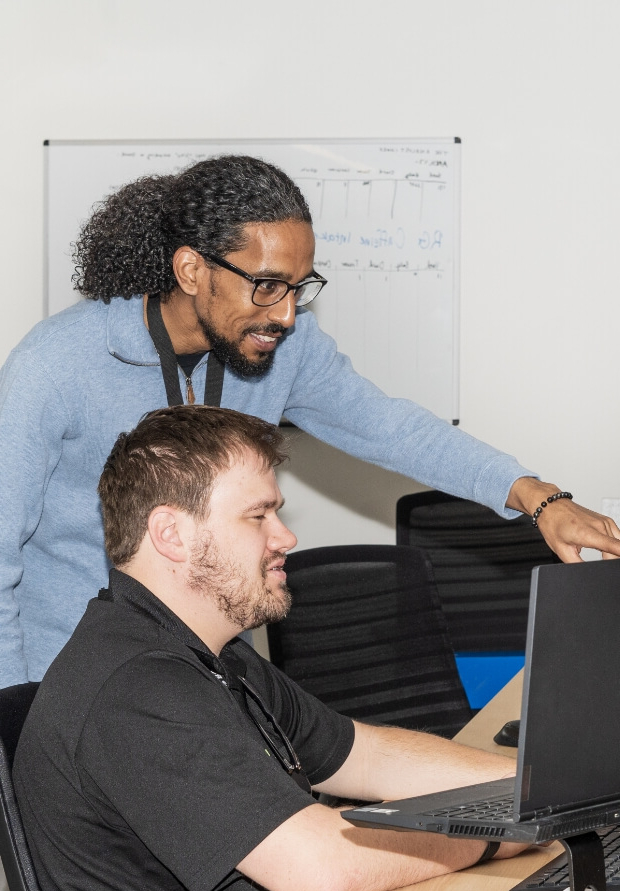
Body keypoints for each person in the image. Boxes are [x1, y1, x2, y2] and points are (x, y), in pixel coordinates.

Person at [1, 154, 619, 693]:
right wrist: (16, 714)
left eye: (301, 287)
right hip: (72, 682)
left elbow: (390, 428)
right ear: (191, 270)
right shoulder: (56, 365)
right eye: (268, 285)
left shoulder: (283, 348)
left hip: (211, 672)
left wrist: (537, 498)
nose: (289, 314)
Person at [14, 406, 528, 891]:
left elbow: (364, 755)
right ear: (171, 533)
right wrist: (491, 834)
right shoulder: (136, 687)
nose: (285, 537)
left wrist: (539, 787)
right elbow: (318, 863)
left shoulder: (214, 654)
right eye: (258, 516)